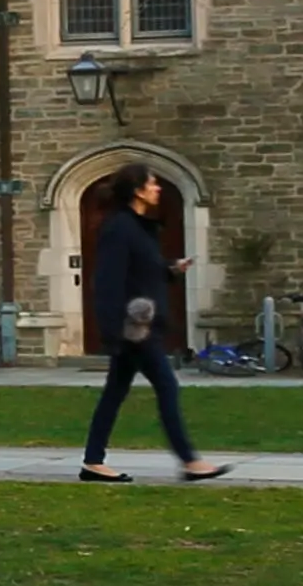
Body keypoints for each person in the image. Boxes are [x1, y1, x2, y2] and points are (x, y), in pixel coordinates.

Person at [80, 168, 225, 482]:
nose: (157, 188)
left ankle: (93, 461)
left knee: (114, 393)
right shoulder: (119, 228)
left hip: (141, 327)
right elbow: (107, 282)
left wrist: (171, 269)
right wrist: (115, 331)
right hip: (134, 331)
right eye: (152, 183)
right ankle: (190, 461)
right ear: (137, 190)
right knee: (167, 386)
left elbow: (142, 271)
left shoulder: (138, 228)